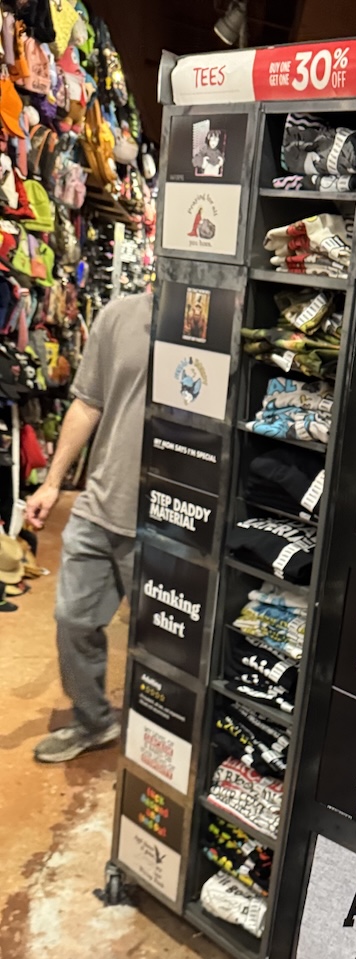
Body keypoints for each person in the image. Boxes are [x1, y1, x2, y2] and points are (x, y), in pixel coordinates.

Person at [25, 291, 152, 763]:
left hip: (170, 523)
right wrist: (51, 483)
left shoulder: (221, 320)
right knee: (73, 621)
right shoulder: (119, 315)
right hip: (100, 504)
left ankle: (169, 743)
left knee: (165, 645)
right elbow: (87, 404)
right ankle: (94, 722)